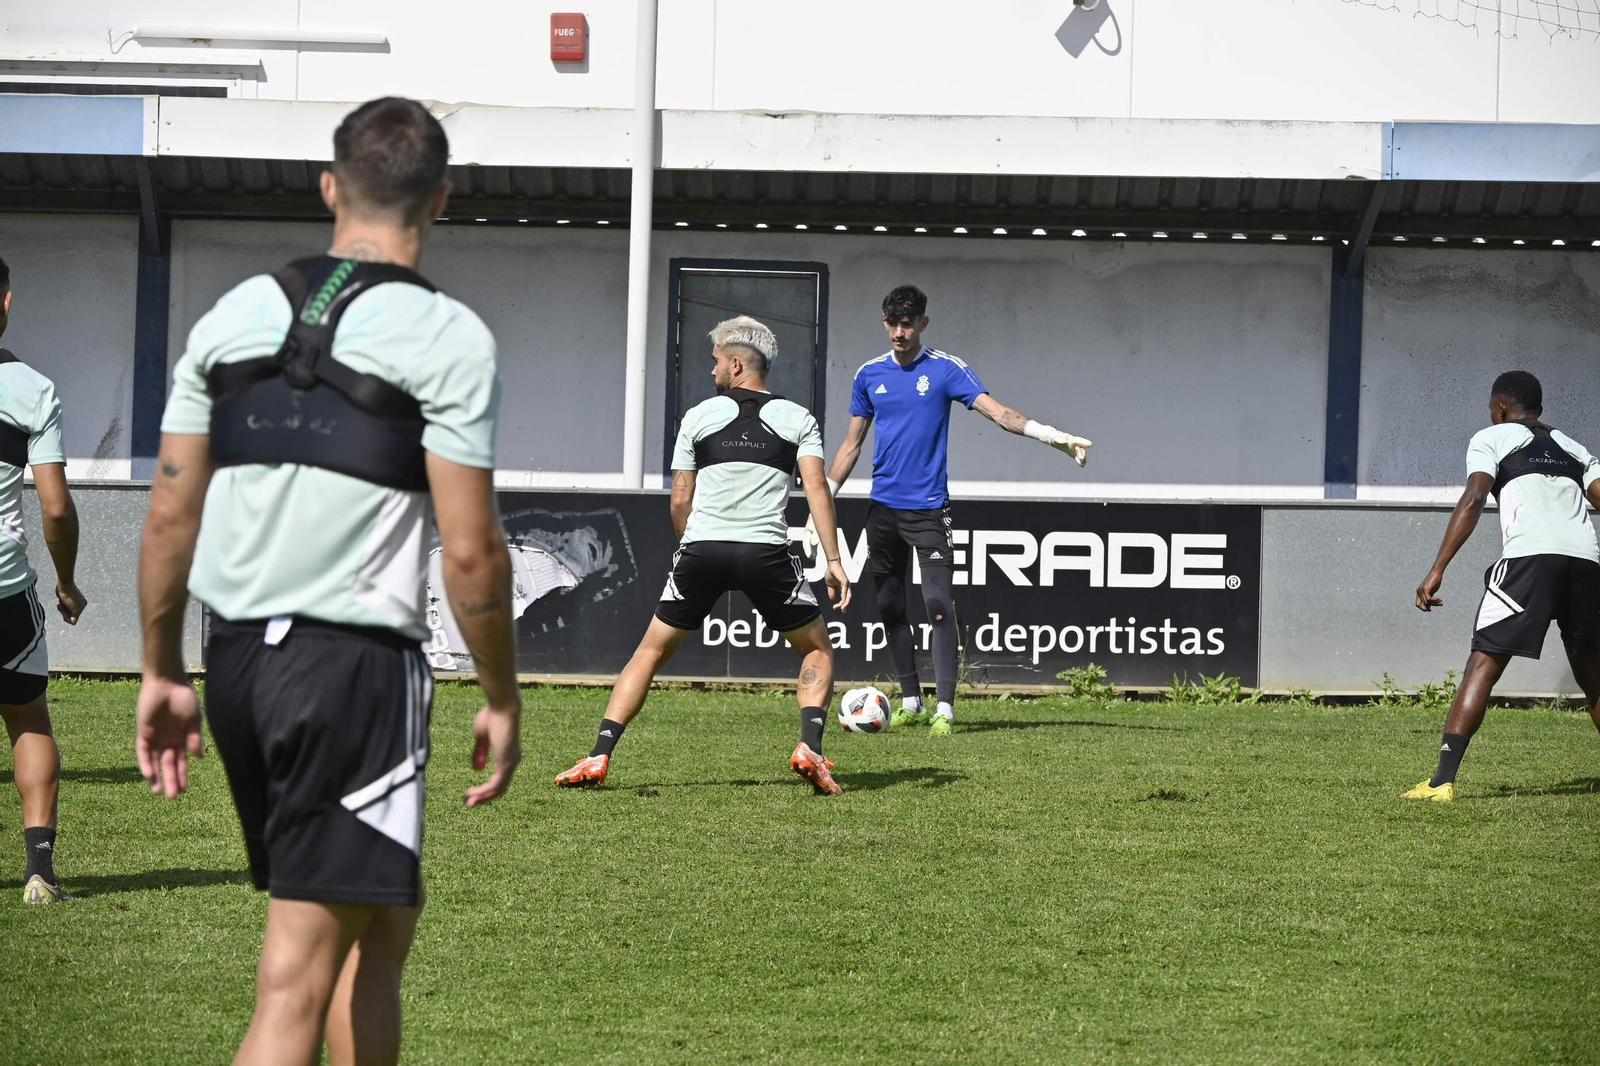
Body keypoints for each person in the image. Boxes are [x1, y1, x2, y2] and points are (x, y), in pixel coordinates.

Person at [135, 97, 522, 1066]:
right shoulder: (450, 336)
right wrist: (503, 695)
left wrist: (159, 670)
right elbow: (471, 552)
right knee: (297, 978)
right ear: (439, 197)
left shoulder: (232, 314)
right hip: (349, 670)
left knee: (378, 930)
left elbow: (170, 513)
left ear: (328, 187)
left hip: (237, 664)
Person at [554, 316, 852, 794]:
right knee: (816, 648)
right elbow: (816, 486)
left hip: (702, 550)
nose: (711, 369)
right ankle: (810, 749)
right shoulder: (799, 418)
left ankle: (598, 755)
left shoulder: (698, 416)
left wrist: (688, 546)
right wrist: (835, 561)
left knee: (648, 652)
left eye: (715, 361)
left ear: (736, 364)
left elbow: (679, 498)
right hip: (765, 553)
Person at [811, 284, 1091, 735]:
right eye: (892, 323)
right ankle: (911, 700)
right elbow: (850, 446)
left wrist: (1051, 436)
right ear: (884, 322)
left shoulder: (945, 369)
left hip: (927, 510)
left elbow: (998, 413)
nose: (899, 333)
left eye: (907, 324)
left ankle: (944, 708)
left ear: (923, 323)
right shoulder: (868, 374)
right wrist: (819, 503)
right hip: (883, 511)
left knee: (938, 605)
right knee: (889, 605)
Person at [1410, 370, 1600, 801]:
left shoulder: (1491, 437)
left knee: (1483, 665)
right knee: (1593, 675)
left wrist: (1437, 567)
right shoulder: (1573, 446)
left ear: (1499, 408)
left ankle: (1440, 782)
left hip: (1528, 561)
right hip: (1586, 564)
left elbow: (1475, 497)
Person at [0, 255, 87, 904]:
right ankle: (39, 873)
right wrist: (66, 583)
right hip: (6, 594)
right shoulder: (31, 389)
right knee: (28, 717)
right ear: (5, 303)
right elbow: (55, 507)